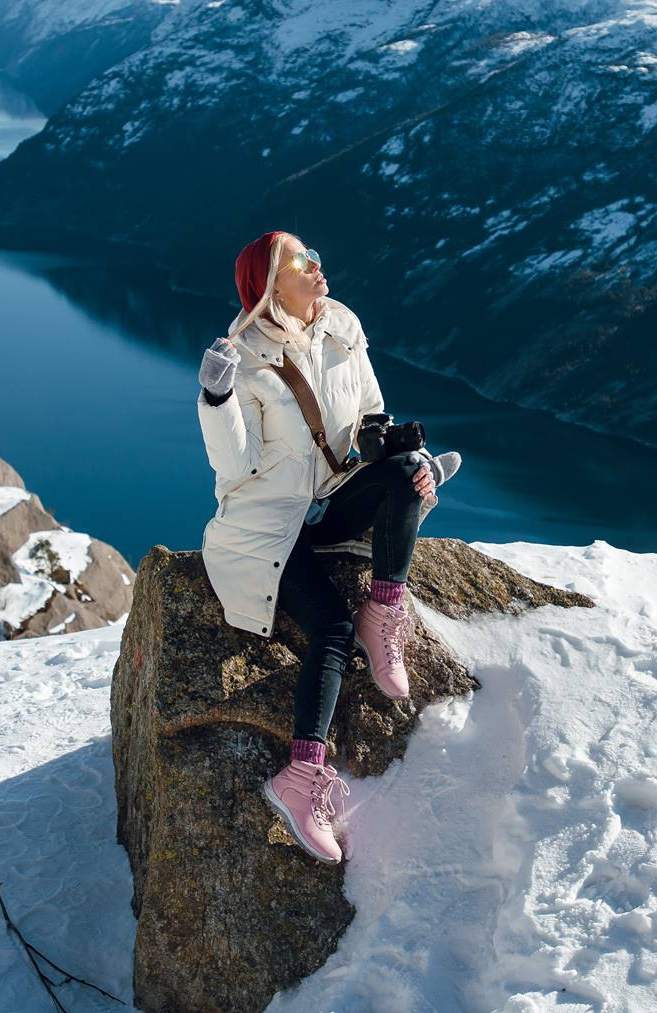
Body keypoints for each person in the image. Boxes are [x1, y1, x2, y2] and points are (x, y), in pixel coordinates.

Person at [195, 231, 461, 863]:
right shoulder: (246, 357)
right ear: (269, 285)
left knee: (403, 475)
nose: (318, 267)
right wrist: (216, 397)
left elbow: (369, 416)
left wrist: (406, 464)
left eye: (315, 256)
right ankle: (301, 777)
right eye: (301, 262)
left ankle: (385, 608)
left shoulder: (343, 326)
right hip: (270, 527)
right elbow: (235, 466)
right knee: (330, 628)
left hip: (332, 500)